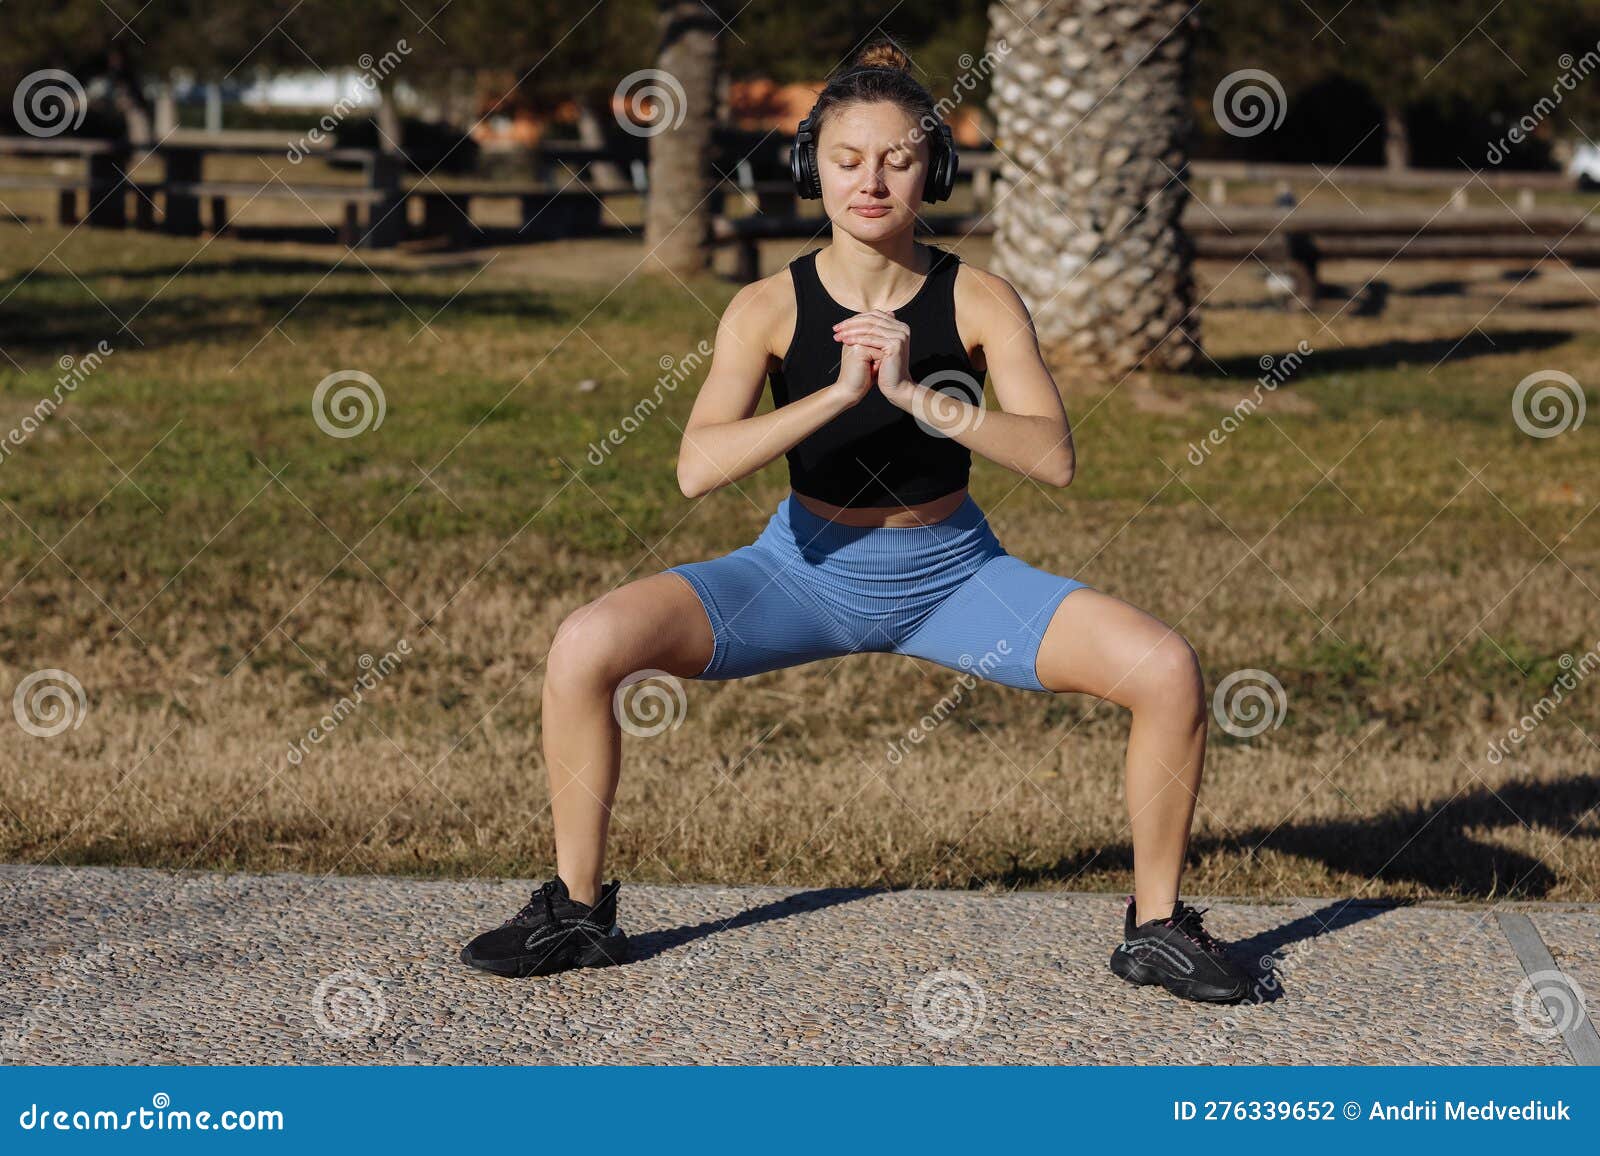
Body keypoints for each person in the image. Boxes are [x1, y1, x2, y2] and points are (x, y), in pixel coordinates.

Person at [460, 40, 1250, 1004]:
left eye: (898, 159)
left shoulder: (978, 297)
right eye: (846, 159)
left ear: (935, 171)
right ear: (811, 169)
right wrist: (834, 394)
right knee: (586, 643)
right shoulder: (764, 307)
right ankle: (578, 913)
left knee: (1166, 670)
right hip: (797, 574)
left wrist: (922, 396)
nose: (871, 181)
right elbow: (695, 469)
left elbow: (1054, 456)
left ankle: (1156, 929)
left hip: (955, 578)